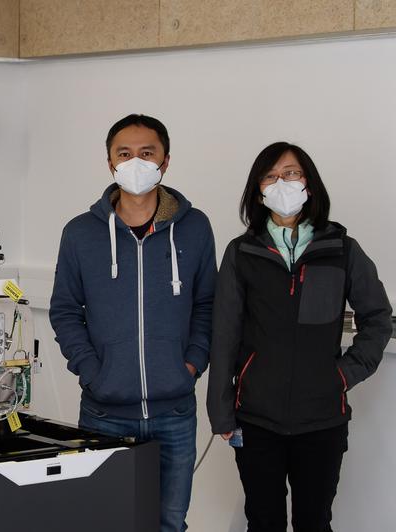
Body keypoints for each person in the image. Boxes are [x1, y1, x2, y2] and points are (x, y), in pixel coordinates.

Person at [207, 142, 392, 532]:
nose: (282, 183)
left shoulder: (342, 249)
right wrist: (220, 410)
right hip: (257, 420)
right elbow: (224, 334)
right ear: (258, 189)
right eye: (271, 176)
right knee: (263, 521)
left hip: (322, 420)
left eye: (291, 173)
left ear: (309, 182)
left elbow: (378, 318)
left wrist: (343, 375)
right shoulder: (242, 253)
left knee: (314, 521)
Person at [49, 114, 216, 532]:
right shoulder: (81, 233)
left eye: (147, 153)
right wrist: (93, 372)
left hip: (174, 410)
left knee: (169, 522)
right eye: (125, 153)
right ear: (110, 163)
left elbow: (207, 304)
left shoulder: (194, 228)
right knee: (106, 522)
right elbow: (65, 310)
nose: (135, 162)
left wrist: (191, 364)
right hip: (105, 413)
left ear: (165, 161)